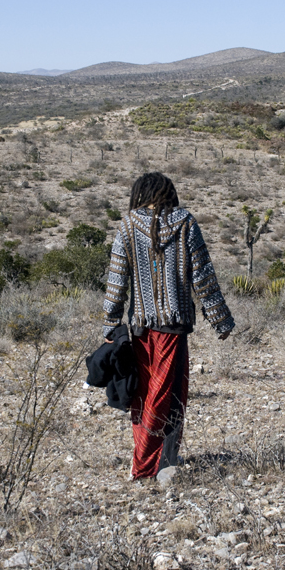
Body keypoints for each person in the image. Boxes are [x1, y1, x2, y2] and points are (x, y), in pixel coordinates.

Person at [102, 172, 234, 480]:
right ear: (167, 192)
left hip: (140, 328)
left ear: (139, 194)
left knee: (146, 394)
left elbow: (116, 280)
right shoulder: (186, 222)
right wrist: (220, 320)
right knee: (169, 395)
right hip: (174, 326)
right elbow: (203, 276)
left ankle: (160, 461)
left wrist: (110, 323)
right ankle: (149, 466)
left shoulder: (127, 226)